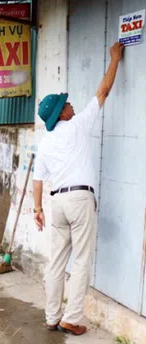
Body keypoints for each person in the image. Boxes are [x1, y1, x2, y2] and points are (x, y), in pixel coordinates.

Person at [33, 42, 124, 336]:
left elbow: (38, 179)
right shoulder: (78, 124)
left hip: (56, 203)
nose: (71, 104)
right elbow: (103, 91)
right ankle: (71, 318)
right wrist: (115, 59)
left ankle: (51, 316)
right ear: (61, 114)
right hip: (80, 198)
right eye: (66, 104)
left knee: (57, 261)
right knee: (82, 259)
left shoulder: (45, 142)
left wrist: (37, 209)